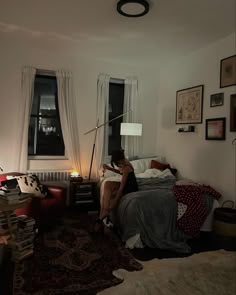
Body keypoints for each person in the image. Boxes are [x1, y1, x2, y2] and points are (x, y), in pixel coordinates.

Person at [94, 149, 138, 233]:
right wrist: (109, 168)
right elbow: (120, 172)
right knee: (107, 184)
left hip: (129, 188)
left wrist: (115, 201)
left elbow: (122, 187)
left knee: (110, 194)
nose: (117, 165)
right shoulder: (124, 163)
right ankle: (104, 214)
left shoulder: (126, 167)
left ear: (120, 160)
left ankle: (102, 217)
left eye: (117, 162)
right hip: (125, 185)